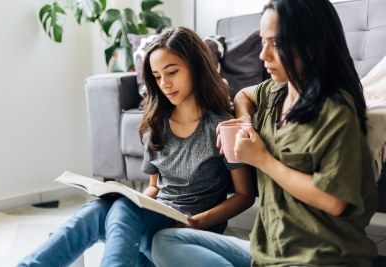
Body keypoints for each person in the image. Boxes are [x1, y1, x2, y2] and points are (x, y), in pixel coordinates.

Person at [151, 0, 379, 266]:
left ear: (311, 44)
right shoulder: (278, 90)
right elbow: (244, 95)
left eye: (277, 44)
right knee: (165, 240)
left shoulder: (336, 109)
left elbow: (336, 201)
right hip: (266, 252)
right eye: (263, 42)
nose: (264, 55)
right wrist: (245, 121)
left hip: (317, 257)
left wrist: (262, 159)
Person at [17, 27, 255, 267]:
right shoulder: (157, 125)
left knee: (119, 208)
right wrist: (132, 199)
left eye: (172, 72)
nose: (165, 84)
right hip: (150, 231)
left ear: (196, 67)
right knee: (100, 209)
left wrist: (198, 221)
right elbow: (153, 188)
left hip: (187, 237)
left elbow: (244, 195)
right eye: (158, 76)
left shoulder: (221, 125)